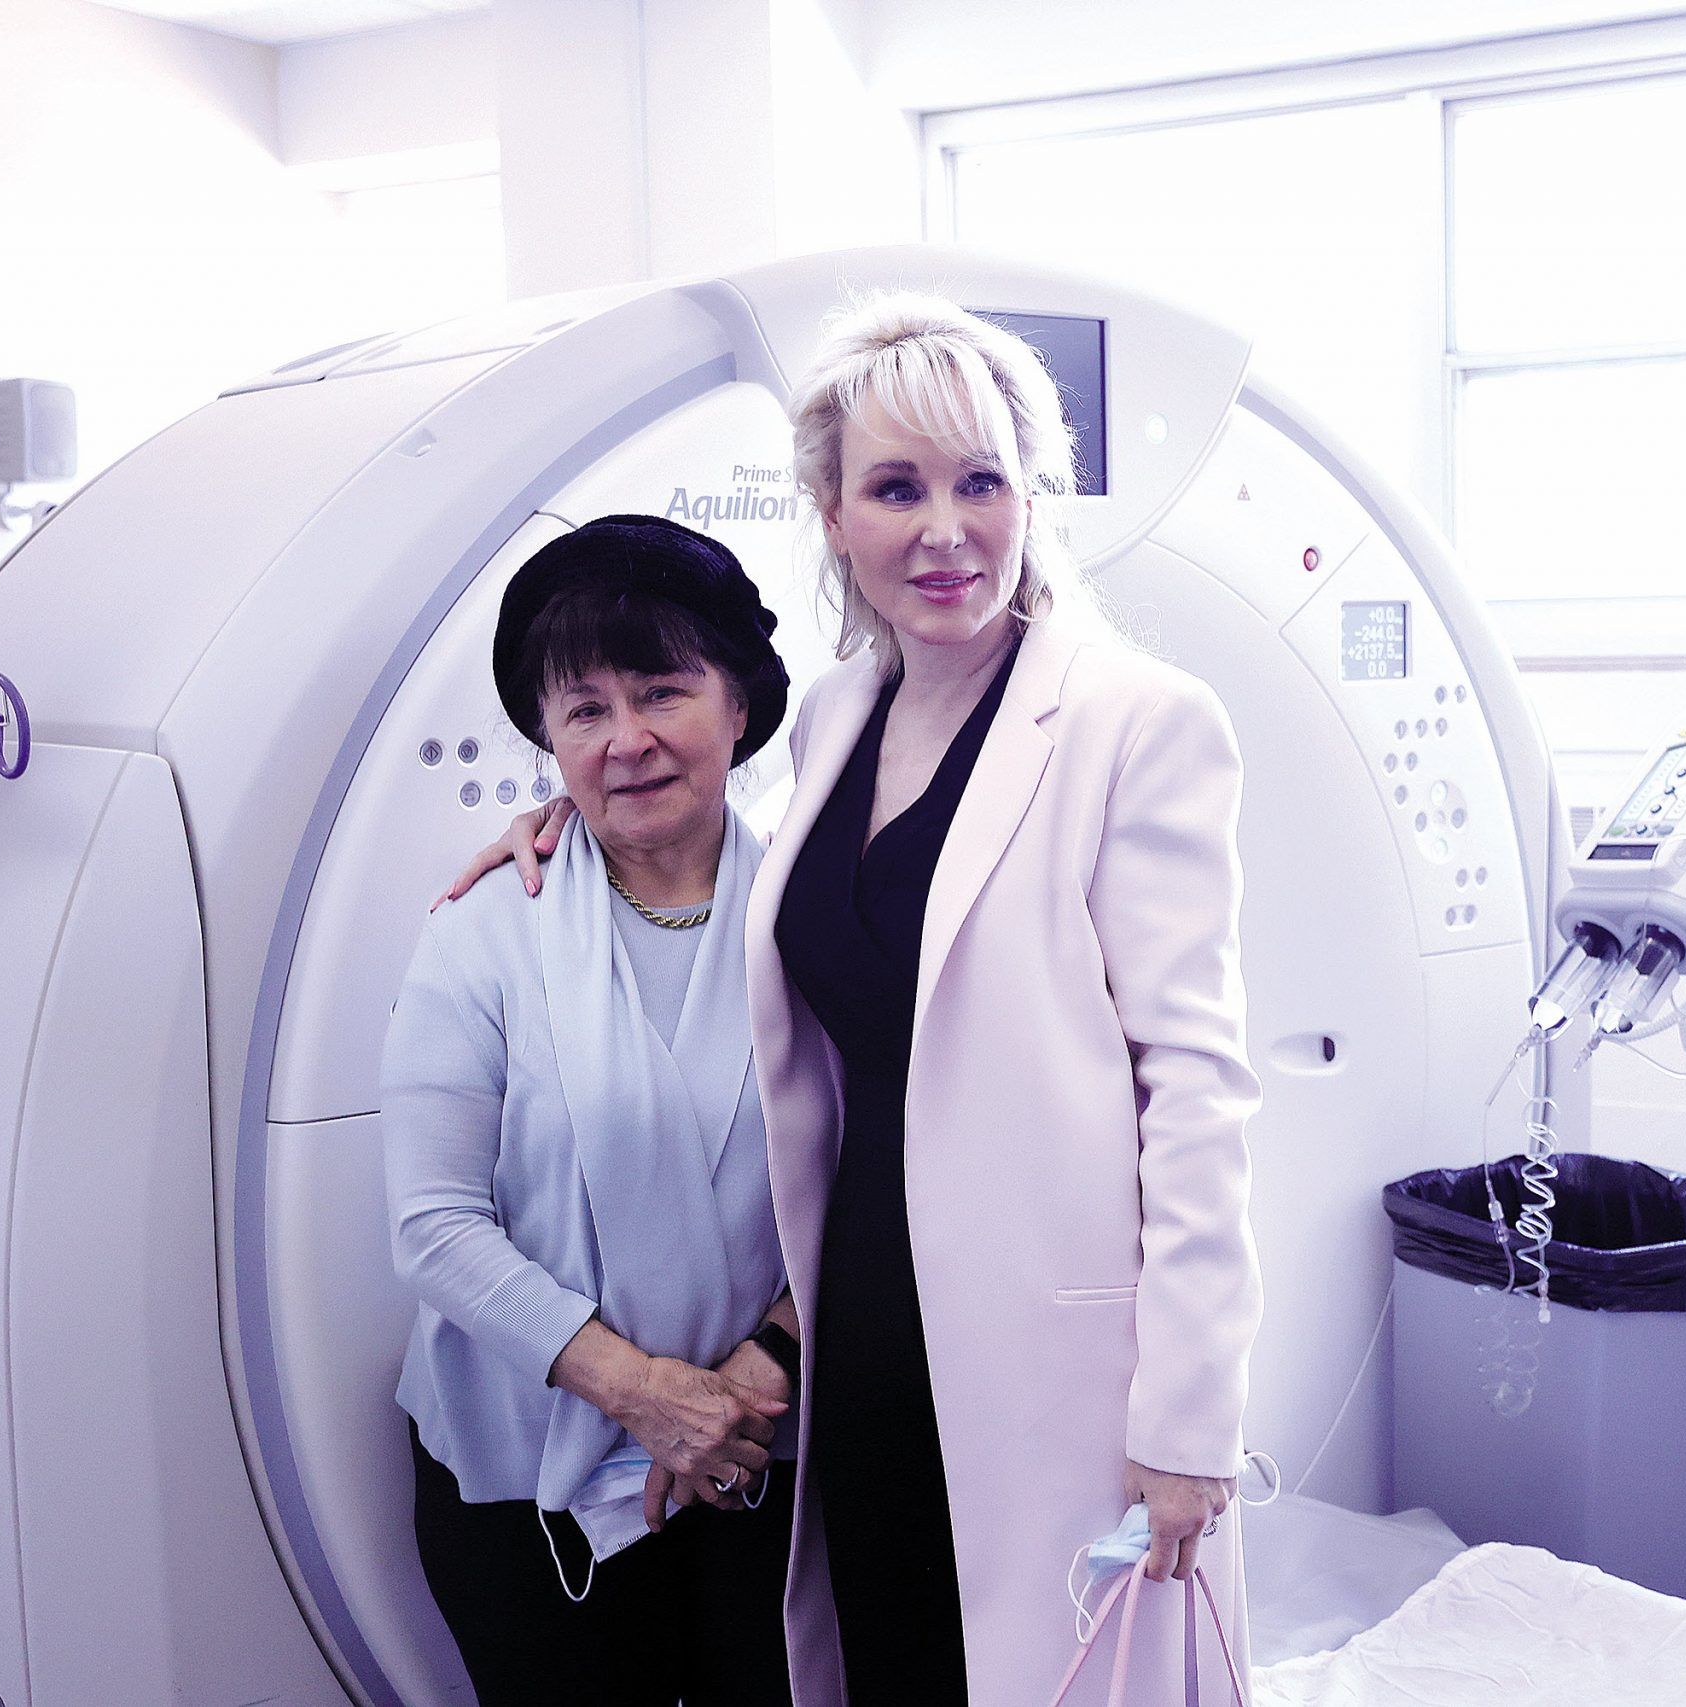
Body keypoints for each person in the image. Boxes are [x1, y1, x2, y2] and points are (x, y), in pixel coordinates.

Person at [456, 296, 1261, 1706]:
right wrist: (558, 814)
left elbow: (1196, 1088)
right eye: (897, 486)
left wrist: (1191, 1413)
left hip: (1052, 1331)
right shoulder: (835, 716)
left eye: (980, 481)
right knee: (894, 1644)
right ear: (833, 514)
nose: (943, 529)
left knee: (1044, 1668)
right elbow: (715, 836)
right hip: (862, 1303)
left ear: (1031, 496)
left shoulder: (1139, 721)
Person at [384, 514, 806, 1707]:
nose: (627, 741)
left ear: (738, 705)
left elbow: (883, 1185)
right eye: (584, 710)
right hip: (527, 1485)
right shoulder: (486, 933)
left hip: (760, 1455)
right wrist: (648, 1395)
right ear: (549, 740)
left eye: (664, 690)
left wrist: (760, 1370)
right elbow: (433, 1227)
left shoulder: (821, 924)